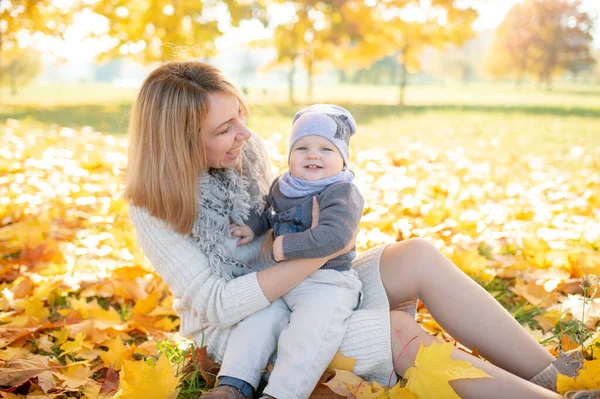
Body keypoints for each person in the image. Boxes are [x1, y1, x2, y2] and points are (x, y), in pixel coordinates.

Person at [125, 61, 592, 399]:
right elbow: (219, 305)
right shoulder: (153, 206)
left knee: (417, 255)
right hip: (245, 327)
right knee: (392, 334)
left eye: (241, 116)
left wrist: (328, 226)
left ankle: (550, 375)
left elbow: (284, 210)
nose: (245, 134)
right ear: (182, 141)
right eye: (225, 128)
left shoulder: (245, 152)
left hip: (305, 280)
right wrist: (317, 253)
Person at [221, 104, 363, 398]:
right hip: (283, 279)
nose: (312, 155)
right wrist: (253, 227)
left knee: (306, 337)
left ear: (343, 160)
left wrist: (284, 246)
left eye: (326, 149)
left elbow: (336, 236)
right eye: (302, 147)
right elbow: (268, 211)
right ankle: (233, 384)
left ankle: (281, 394)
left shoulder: (342, 192)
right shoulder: (285, 184)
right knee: (255, 322)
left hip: (327, 282)